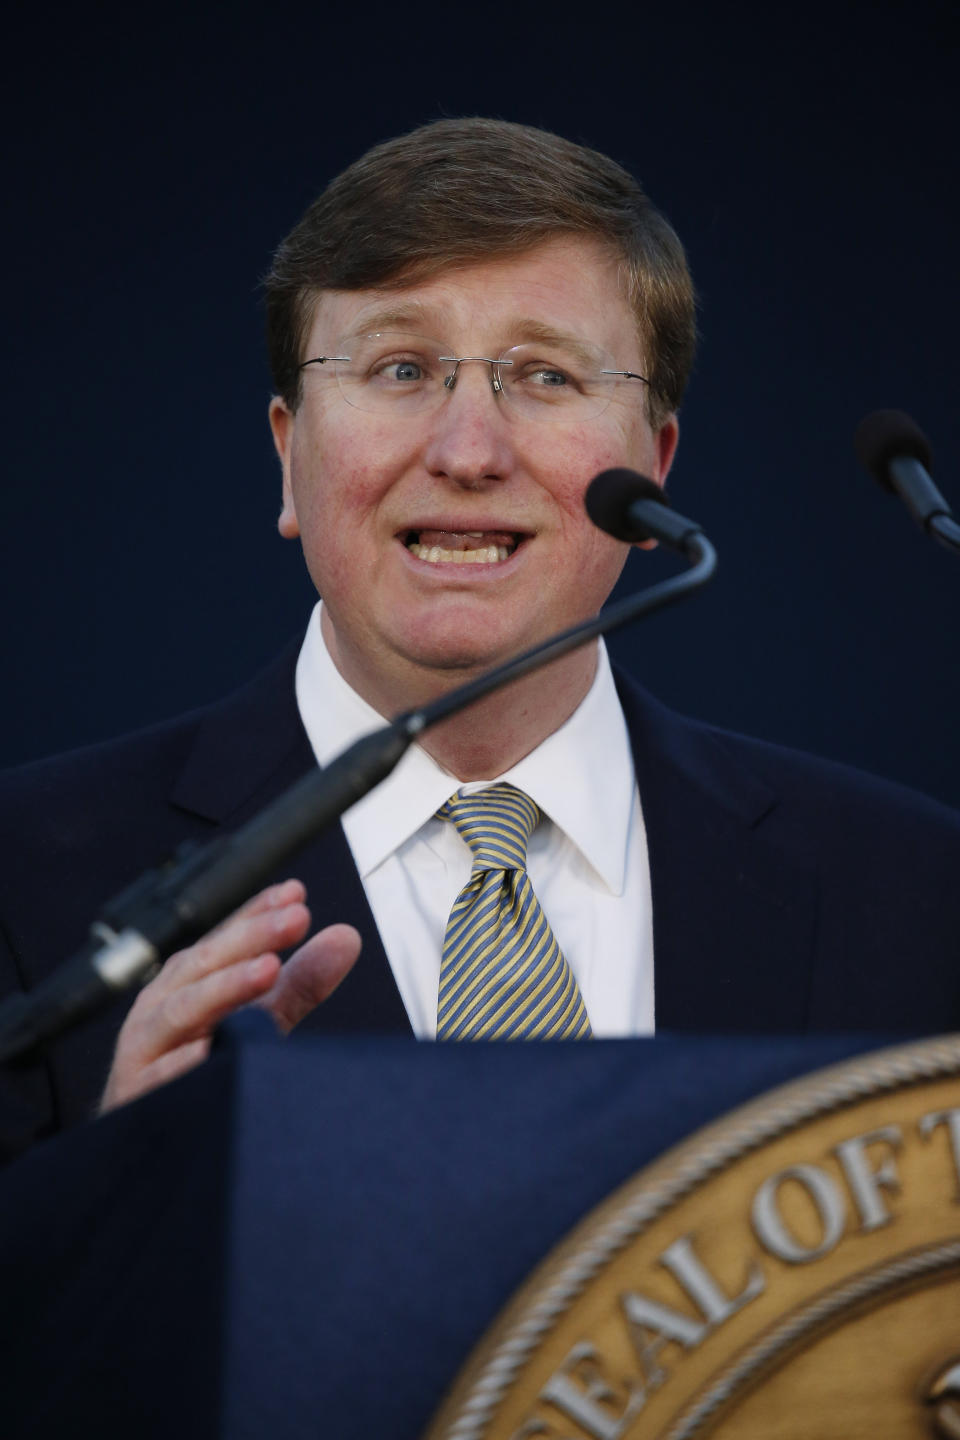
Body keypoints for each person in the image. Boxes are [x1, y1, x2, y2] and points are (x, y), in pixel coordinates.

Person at [1, 119, 958, 1160]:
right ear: (289, 454)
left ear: (658, 460)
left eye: (546, 375)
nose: (468, 451)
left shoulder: (919, 895)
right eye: (402, 369)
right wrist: (108, 1212)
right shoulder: (26, 889)